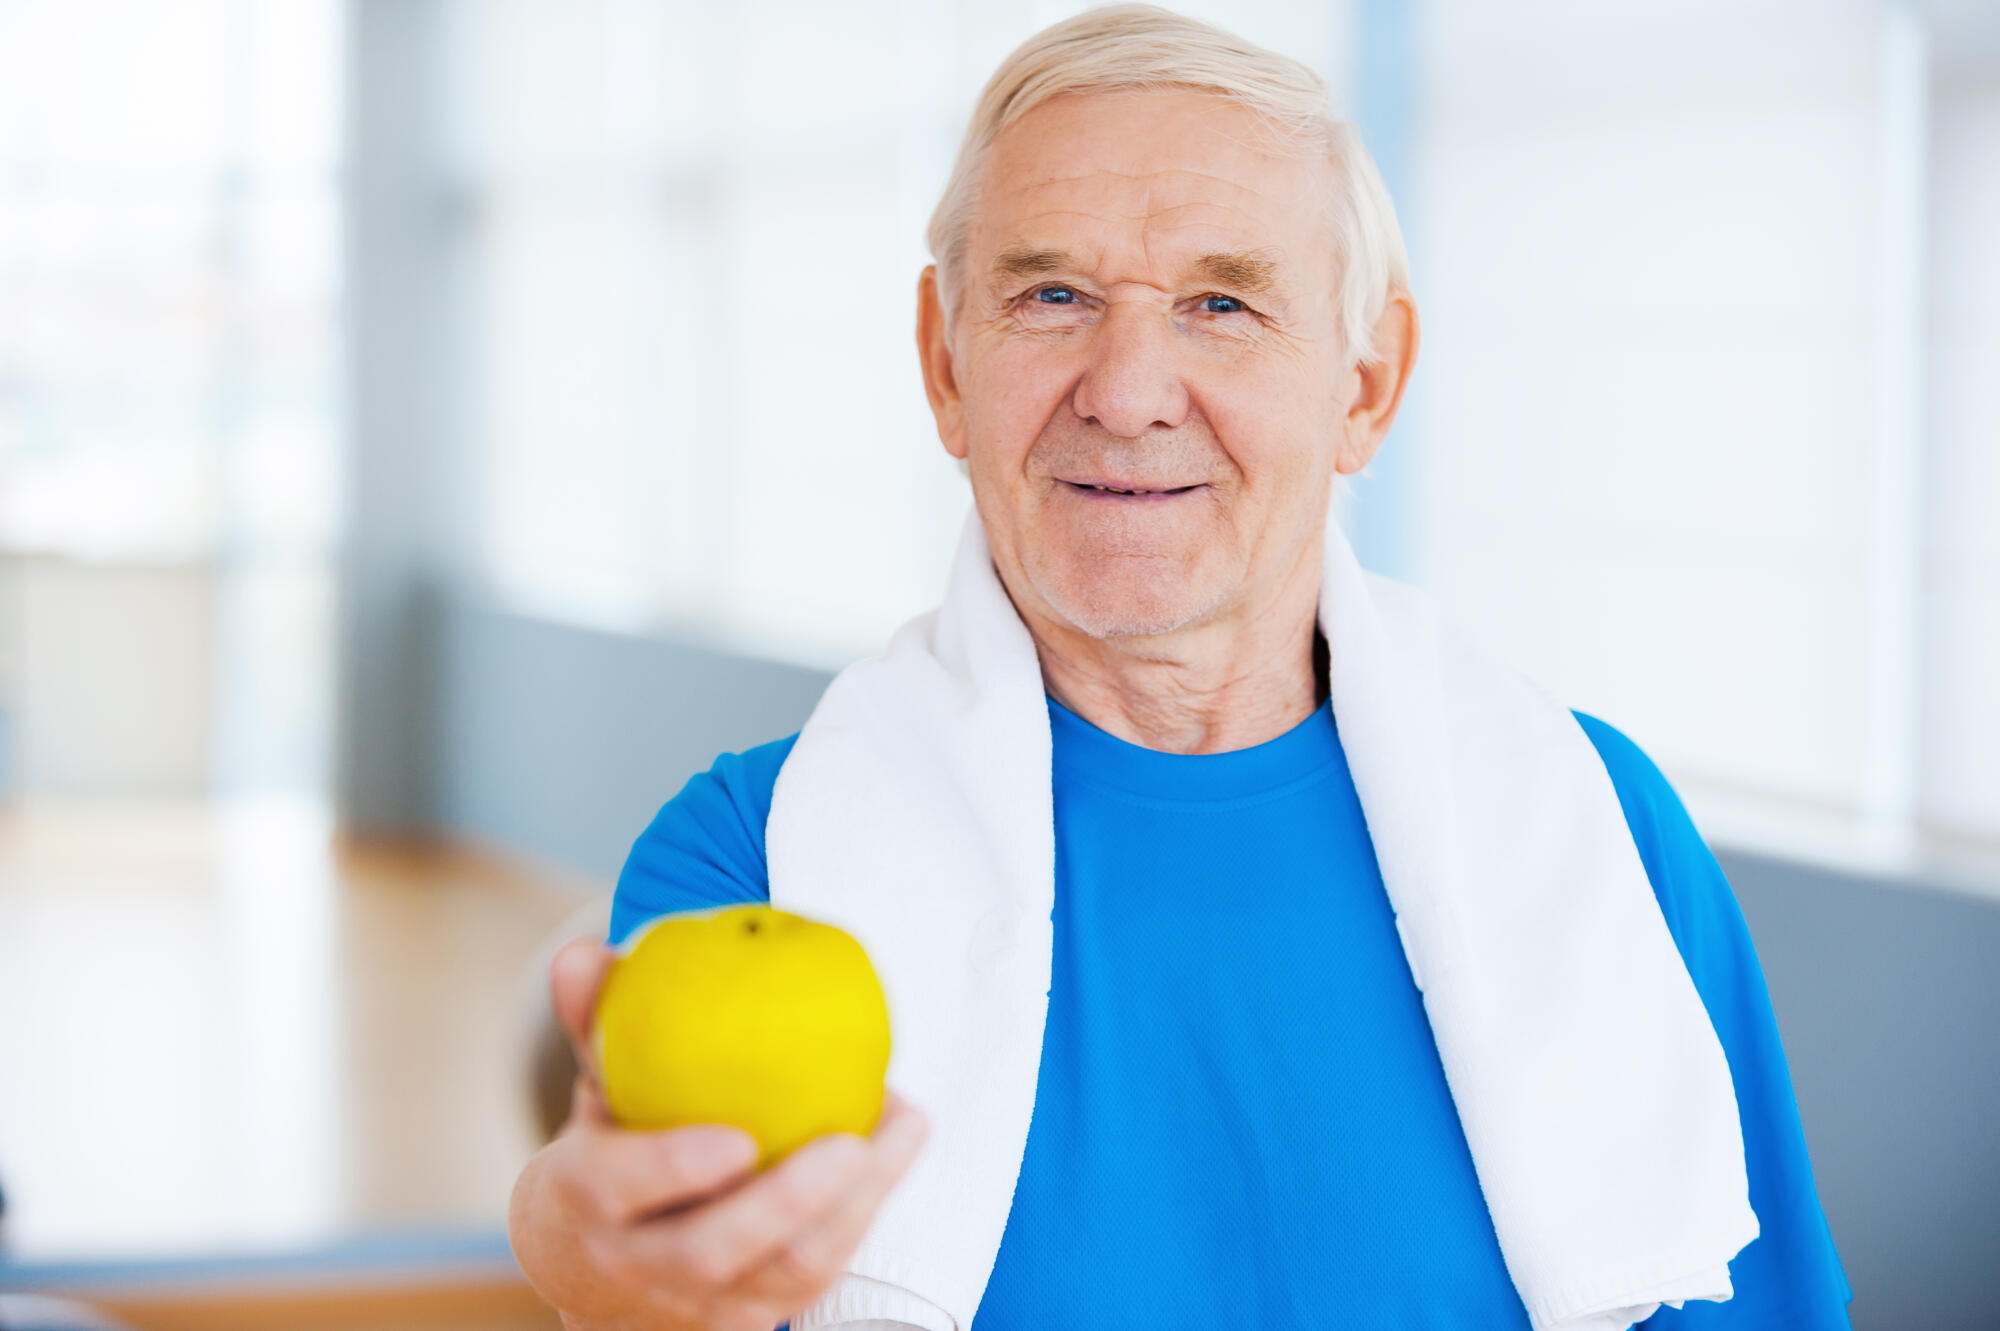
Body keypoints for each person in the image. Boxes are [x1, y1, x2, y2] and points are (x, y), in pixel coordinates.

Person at [508, 8, 1854, 1329]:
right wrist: (614, 1293)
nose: (1129, 389)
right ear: (944, 363)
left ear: (1367, 389)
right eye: (1052, 296)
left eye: (1223, 302)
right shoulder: (749, 863)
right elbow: (664, 1269)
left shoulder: (1592, 821)